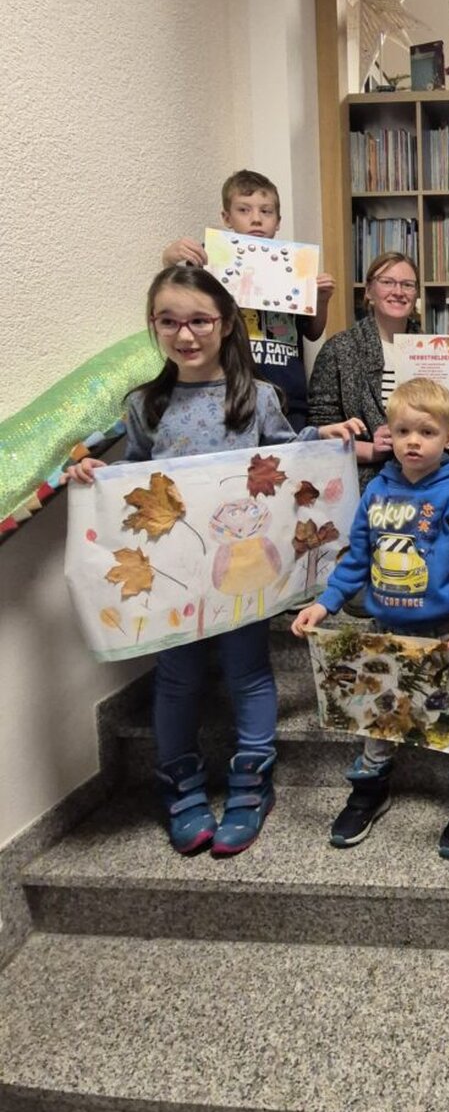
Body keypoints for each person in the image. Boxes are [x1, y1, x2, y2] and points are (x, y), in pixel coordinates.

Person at [65, 266, 363, 857]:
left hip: (244, 570)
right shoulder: (145, 404)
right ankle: (182, 785)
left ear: (225, 323)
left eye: (200, 320)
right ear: (154, 326)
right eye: (169, 321)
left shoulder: (256, 397)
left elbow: (282, 460)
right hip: (179, 576)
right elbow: (141, 477)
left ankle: (251, 781)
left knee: (247, 668)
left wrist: (321, 437)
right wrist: (92, 475)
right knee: (177, 677)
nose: (185, 334)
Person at [292, 379, 449, 860]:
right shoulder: (377, 492)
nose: (412, 441)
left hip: (442, 632)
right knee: (376, 707)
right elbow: (355, 561)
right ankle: (371, 785)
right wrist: (325, 604)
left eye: (426, 432)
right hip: (382, 628)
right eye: (402, 429)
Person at [161, 170, 334, 432]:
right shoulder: (211, 260)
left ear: (278, 221)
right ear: (226, 217)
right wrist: (169, 260)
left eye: (266, 212)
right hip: (228, 395)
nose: (256, 219)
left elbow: (312, 332)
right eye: (244, 210)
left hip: (288, 394)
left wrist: (321, 300)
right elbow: (175, 299)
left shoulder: (293, 266)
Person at [307, 251, 449, 487]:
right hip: (369, 470)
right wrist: (372, 450)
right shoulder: (339, 350)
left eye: (407, 285)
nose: (398, 292)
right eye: (387, 282)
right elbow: (320, 434)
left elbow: (438, 424)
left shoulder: (436, 350)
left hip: (426, 463)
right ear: (369, 291)